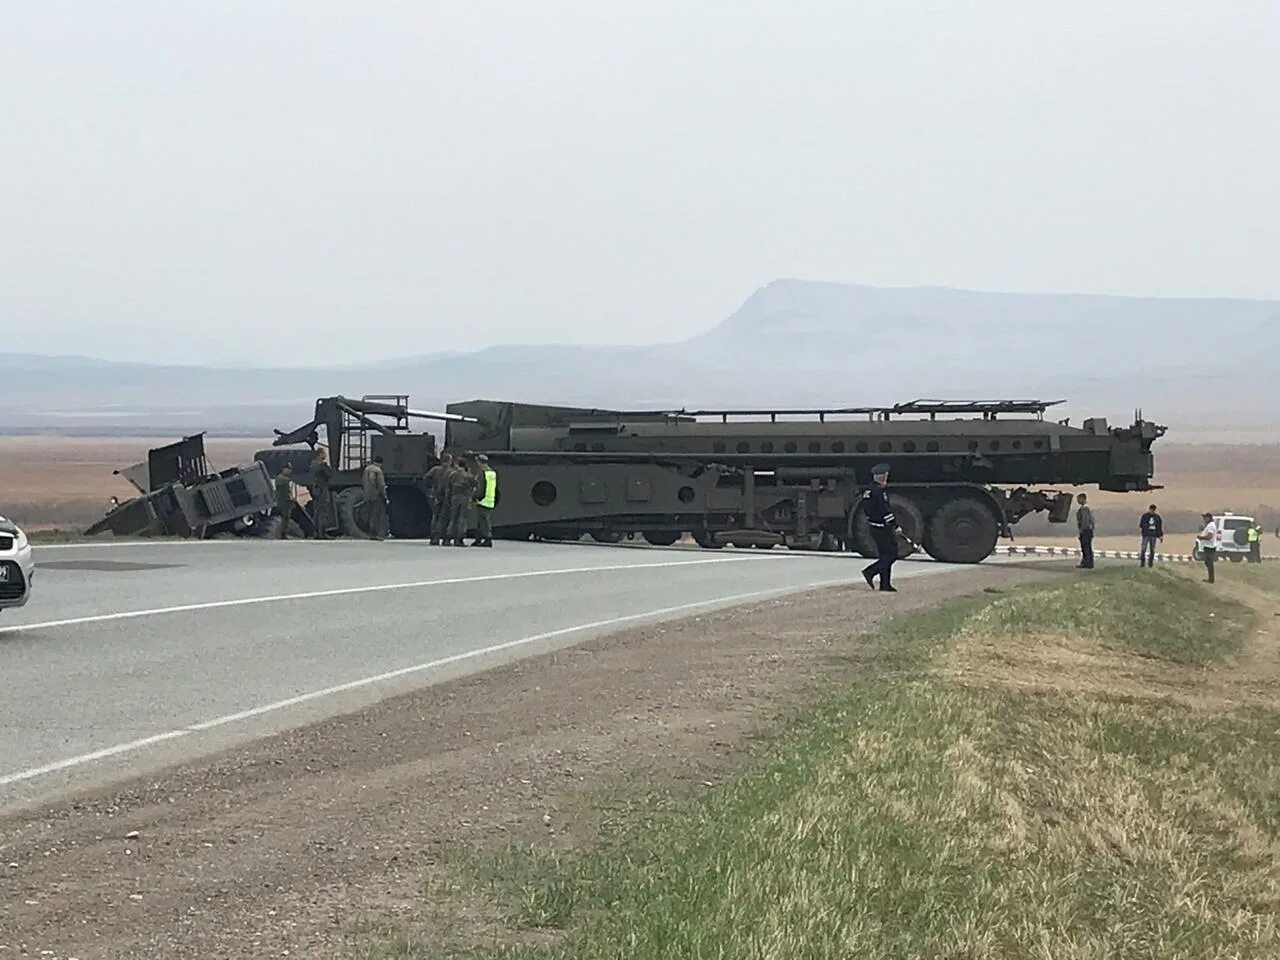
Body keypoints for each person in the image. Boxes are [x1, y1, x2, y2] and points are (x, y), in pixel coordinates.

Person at [860, 463, 900, 592]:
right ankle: (870, 572)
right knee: (892, 554)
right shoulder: (879, 491)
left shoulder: (868, 490)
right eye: (885, 476)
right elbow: (885, 510)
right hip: (882, 526)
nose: (886, 479)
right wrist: (895, 525)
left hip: (873, 525)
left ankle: (885, 584)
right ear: (881, 477)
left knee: (884, 554)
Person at [446, 455, 476, 546]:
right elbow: (475, 485)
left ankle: (448, 538)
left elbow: (448, 487)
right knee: (462, 518)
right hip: (465, 498)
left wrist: (449, 498)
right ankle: (459, 539)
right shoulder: (468, 476)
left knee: (453, 518)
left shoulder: (452, 474)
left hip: (454, 497)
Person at [424, 452, 453, 545]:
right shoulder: (451, 471)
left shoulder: (435, 469)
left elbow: (426, 478)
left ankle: (434, 538)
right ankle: (445, 538)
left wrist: (431, 487)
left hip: (436, 495)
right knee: (446, 517)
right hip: (447, 496)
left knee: (435, 517)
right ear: (450, 461)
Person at [309, 448, 336, 539]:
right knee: (323, 512)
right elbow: (330, 474)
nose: (325, 455)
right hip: (322, 489)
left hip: (315, 490)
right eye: (324, 453)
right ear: (319, 454)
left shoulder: (312, 464)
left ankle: (316, 533)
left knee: (317, 512)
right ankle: (322, 533)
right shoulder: (322, 465)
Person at [472, 454, 498, 547]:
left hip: (483, 499)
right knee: (481, 520)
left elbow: (481, 487)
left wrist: (476, 497)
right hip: (490, 499)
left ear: (479, 462)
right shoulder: (492, 472)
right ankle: (478, 539)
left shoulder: (482, 472)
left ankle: (488, 538)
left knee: (484, 521)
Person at [362, 455, 388, 541]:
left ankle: (371, 533)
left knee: (371, 514)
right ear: (380, 463)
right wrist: (384, 496)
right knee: (376, 516)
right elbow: (381, 485)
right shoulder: (378, 471)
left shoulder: (367, 469)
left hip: (367, 495)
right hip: (376, 496)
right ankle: (375, 534)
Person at [1138, 503, 1163, 568]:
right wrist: (1145, 530)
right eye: (1151, 510)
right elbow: (1141, 525)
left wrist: (1160, 536)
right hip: (1146, 535)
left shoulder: (1157, 517)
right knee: (1143, 549)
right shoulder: (1145, 516)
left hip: (1153, 536)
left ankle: (1150, 564)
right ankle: (1142, 564)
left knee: (1152, 550)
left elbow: (1159, 527)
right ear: (1149, 509)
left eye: (1153, 510)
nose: (1152, 511)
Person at [274, 463, 295, 539]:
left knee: (286, 518)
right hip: (283, 501)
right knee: (285, 518)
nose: (289, 471)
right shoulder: (281, 478)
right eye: (288, 469)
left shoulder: (284, 478)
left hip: (286, 501)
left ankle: (284, 533)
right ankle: (283, 534)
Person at [1197, 512, 1218, 583]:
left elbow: (1209, 536)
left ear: (1209, 518)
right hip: (1208, 546)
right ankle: (1210, 578)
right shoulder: (1209, 525)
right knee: (1208, 562)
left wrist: (1201, 537)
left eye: (1205, 518)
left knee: (1209, 563)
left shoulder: (1211, 526)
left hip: (1209, 546)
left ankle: (1211, 579)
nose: (1204, 519)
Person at [1076, 493, 1095, 569]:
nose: (1078, 501)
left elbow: (1085, 520)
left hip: (1085, 530)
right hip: (1088, 530)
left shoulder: (1084, 509)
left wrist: (1082, 530)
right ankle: (1088, 562)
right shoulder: (1086, 508)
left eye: (1079, 499)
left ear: (1083, 499)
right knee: (1087, 547)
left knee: (1086, 547)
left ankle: (1087, 563)